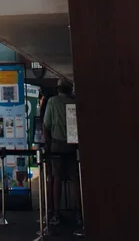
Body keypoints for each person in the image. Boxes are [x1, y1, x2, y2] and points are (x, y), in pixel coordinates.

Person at [42, 82, 80, 229]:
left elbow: (46, 125)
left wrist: (48, 143)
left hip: (57, 146)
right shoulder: (74, 102)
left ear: (58, 89)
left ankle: (56, 213)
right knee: (75, 179)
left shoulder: (52, 101)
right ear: (70, 89)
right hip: (72, 145)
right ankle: (79, 212)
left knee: (56, 179)